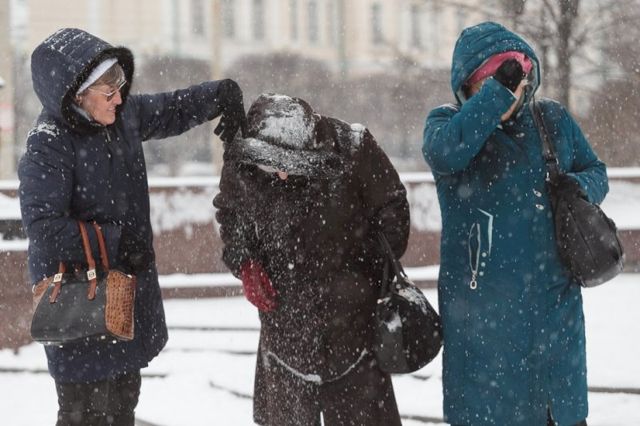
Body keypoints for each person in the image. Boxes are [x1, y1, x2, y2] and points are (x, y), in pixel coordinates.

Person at [18, 28, 246, 425]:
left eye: (120, 87)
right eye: (109, 93)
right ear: (77, 95)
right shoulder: (49, 142)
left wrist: (220, 95)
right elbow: (43, 228)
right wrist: (116, 244)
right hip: (79, 305)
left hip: (122, 304)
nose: (119, 99)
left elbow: (172, 109)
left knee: (122, 407)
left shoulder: (121, 119)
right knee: (85, 415)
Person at [422, 22, 607, 426]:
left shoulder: (551, 119)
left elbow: (596, 170)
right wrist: (496, 97)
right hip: (482, 324)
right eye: (487, 83)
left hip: (555, 315)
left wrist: (576, 188)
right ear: (467, 88)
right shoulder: (446, 125)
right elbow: (445, 154)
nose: (508, 92)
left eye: (513, 80)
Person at [214, 93, 410, 425]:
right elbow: (231, 215)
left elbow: (393, 210)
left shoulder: (352, 147)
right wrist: (245, 262)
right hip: (285, 325)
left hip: (354, 327)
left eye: (291, 165)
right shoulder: (243, 155)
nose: (281, 175)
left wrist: (365, 275)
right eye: (270, 166)